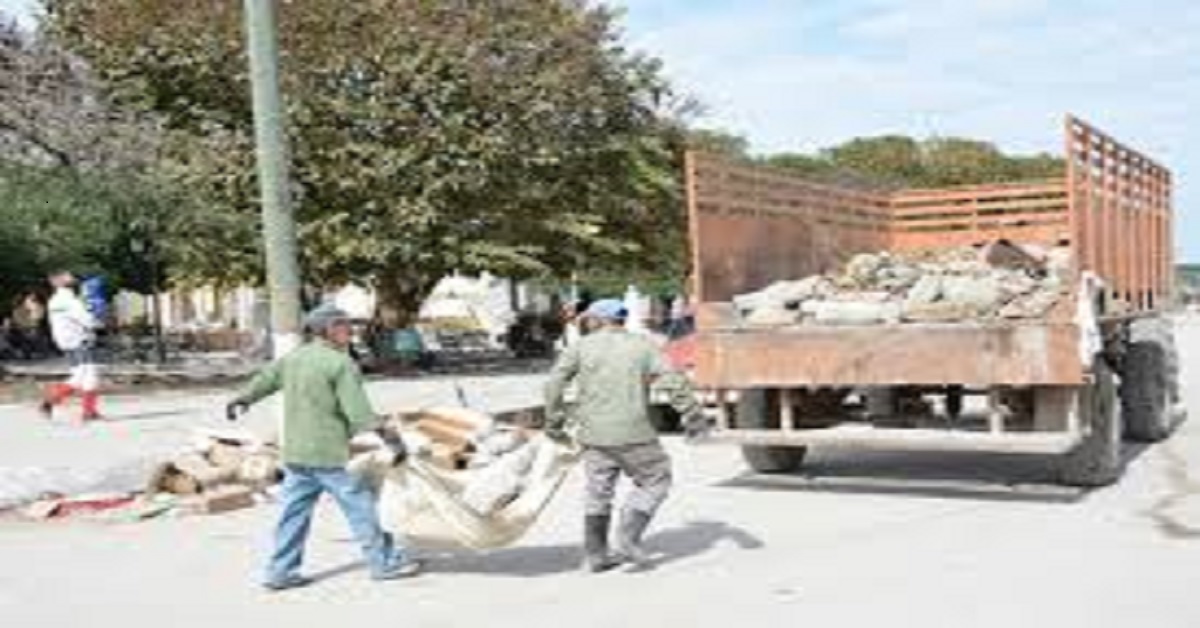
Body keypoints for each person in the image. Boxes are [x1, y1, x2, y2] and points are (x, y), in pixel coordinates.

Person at [226, 304, 420, 591]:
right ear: (326, 330)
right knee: (362, 508)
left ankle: (281, 572)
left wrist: (242, 399)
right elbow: (358, 413)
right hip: (330, 455)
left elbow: (265, 380)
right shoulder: (340, 364)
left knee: (292, 515)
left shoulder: (294, 358)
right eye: (342, 324)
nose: (349, 330)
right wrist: (389, 437)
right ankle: (383, 563)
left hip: (296, 454)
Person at [544, 298, 705, 573]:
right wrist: (692, 414)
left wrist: (554, 423)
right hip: (635, 432)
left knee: (598, 492)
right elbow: (673, 380)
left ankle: (595, 555)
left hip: (593, 434)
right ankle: (628, 538)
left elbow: (555, 383)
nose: (586, 322)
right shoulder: (643, 346)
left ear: (597, 319)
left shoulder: (580, 347)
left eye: (589, 318)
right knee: (656, 480)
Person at [41, 271, 103, 421]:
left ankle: (89, 411)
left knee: (88, 374)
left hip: (66, 341)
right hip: (78, 340)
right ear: (59, 281)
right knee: (82, 375)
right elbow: (87, 320)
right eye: (69, 276)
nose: (73, 278)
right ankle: (50, 402)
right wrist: (98, 322)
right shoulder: (69, 300)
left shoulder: (55, 299)